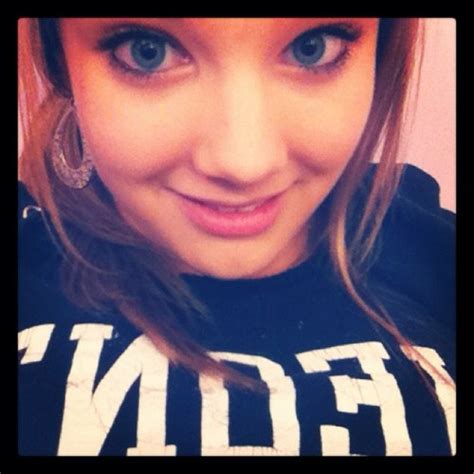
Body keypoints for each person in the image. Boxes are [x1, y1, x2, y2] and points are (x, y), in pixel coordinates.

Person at [18, 18, 455, 456]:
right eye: (147, 51)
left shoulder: (433, 252)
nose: (245, 164)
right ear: (60, 64)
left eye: (312, 47)